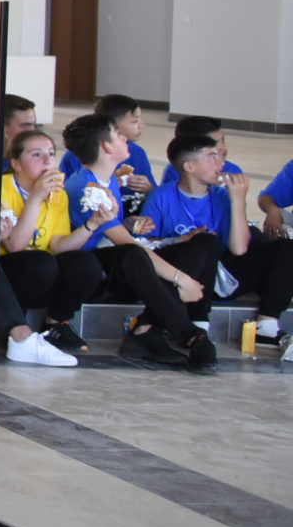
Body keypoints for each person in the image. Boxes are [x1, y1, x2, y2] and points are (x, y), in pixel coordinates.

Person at [64, 113, 211, 369]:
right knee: (133, 254)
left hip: (121, 262)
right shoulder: (87, 188)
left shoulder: (107, 178)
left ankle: (146, 328)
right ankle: (187, 333)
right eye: (117, 134)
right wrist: (182, 279)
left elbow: (115, 232)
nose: (124, 138)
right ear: (106, 147)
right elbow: (124, 244)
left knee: (202, 245)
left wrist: (127, 224)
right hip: (95, 273)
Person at [138, 130, 293, 353]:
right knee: (206, 242)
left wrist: (237, 200)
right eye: (212, 156)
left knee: (286, 248)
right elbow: (146, 246)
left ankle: (266, 325)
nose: (221, 162)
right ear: (189, 166)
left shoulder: (221, 197)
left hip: (222, 277)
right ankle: (198, 323)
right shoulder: (161, 196)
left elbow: (239, 249)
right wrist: (182, 240)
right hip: (181, 279)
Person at [0, 127, 95, 365]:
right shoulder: (1, 188)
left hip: (43, 271)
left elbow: (59, 245)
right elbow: (15, 245)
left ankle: (57, 322)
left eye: (51, 153)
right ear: (16, 164)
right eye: (37, 155)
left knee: (85, 263)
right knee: (40, 262)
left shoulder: (58, 194)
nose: (48, 161)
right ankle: (10, 329)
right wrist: (36, 197)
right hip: (9, 270)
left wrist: (93, 224)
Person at [60, 92, 153, 211]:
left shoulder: (136, 155)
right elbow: (67, 198)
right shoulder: (86, 184)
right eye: (135, 121)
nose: (142, 125)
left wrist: (150, 189)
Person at [154, 116, 245, 188]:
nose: (222, 148)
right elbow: (167, 200)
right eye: (213, 144)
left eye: (223, 140)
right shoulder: (175, 170)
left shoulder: (232, 171)